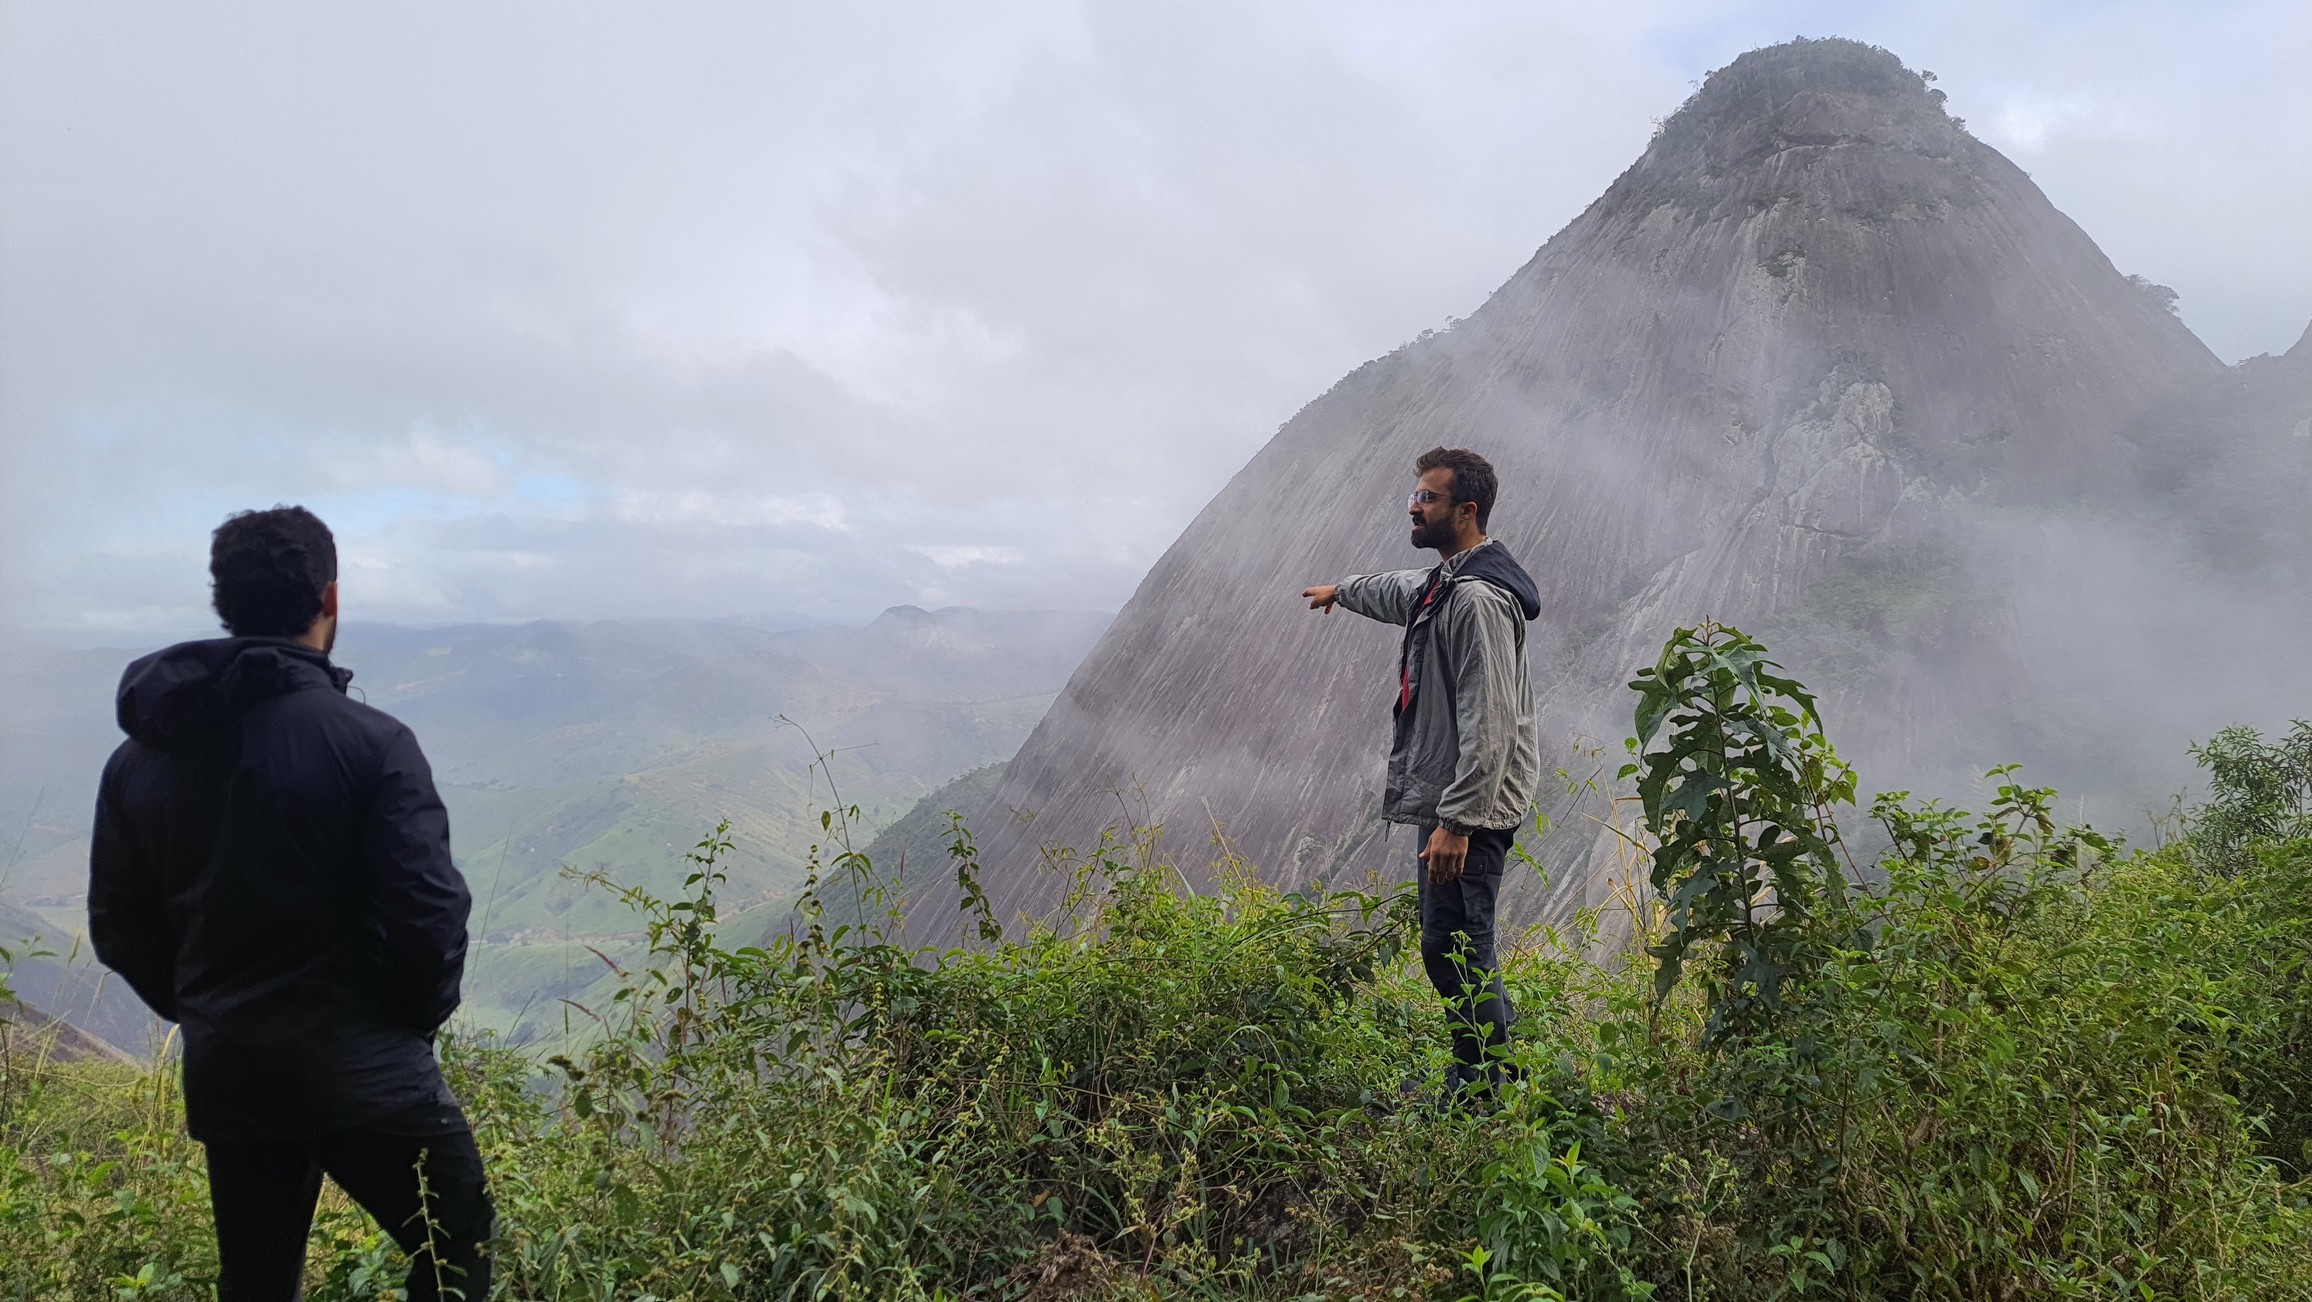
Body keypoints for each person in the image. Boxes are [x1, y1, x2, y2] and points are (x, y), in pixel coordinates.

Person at [88, 506, 492, 1300]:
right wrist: (403, 1026)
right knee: (456, 1246)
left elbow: (118, 928)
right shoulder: (373, 744)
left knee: (258, 1281)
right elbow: (430, 915)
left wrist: (208, 1010)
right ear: (330, 598)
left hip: (233, 1073)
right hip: (368, 1071)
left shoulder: (139, 760)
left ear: (224, 602)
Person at [1302, 448, 1541, 1102]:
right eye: (1414, 495)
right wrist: (1342, 591)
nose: (1414, 506)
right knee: (1452, 941)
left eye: (1428, 498)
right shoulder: (1446, 582)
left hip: (1471, 808)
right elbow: (1399, 589)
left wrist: (1457, 823)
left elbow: (1489, 719)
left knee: (1457, 945)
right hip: (1453, 800)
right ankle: (1495, 1071)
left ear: (1467, 511)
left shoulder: (1478, 600)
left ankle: (1483, 1091)